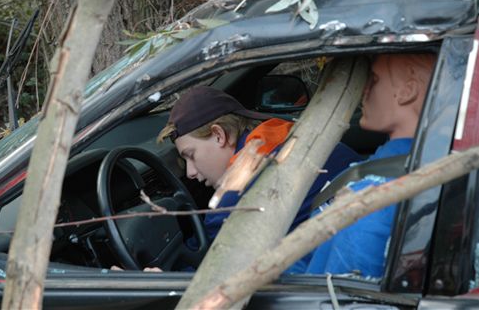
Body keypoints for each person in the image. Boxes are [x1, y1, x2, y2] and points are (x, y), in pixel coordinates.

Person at [287, 53, 437, 277]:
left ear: (408, 91)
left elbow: (341, 290)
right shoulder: (406, 162)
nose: (363, 92)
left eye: (374, 80)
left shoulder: (374, 197)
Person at [157, 86, 362, 243]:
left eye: (191, 155)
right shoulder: (288, 133)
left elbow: (203, 272)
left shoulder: (234, 203)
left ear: (219, 135)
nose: (190, 172)